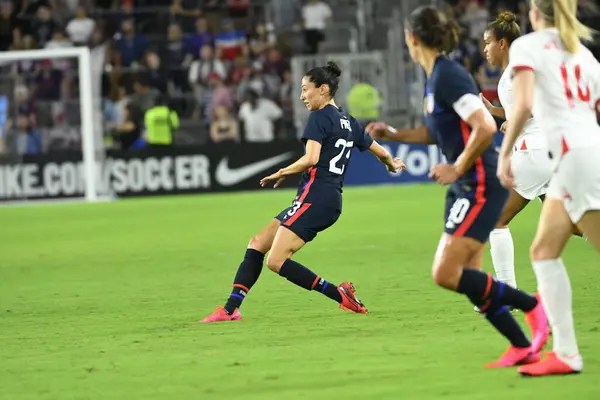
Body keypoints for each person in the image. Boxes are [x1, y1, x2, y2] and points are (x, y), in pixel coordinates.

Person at [366, 6, 550, 368]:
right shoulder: (435, 78)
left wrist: (457, 166)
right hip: (466, 184)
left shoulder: (448, 76)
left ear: (413, 39)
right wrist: (394, 134)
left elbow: (483, 126)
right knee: (468, 278)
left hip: (478, 181)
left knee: (446, 273)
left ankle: (533, 305)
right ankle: (521, 346)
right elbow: (435, 133)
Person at [200, 61, 406, 323]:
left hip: (316, 199)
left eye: (305, 89)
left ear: (322, 89)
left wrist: (283, 171)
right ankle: (231, 309)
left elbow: (311, 158)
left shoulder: (320, 117)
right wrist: (393, 163)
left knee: (276, 261)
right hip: (322, 199)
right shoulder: (349, 121)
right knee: (257, 243)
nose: (302, 96)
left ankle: (340, 294)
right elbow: (380, 151)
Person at [497, 0, 600, 377]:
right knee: (542, 250)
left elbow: (522, 105)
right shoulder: (583, 54)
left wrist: (505, 152)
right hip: (579, 155)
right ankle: (568, 354)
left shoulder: (527, 47)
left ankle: (568, 353)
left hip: (574, 157)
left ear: (535, 16)